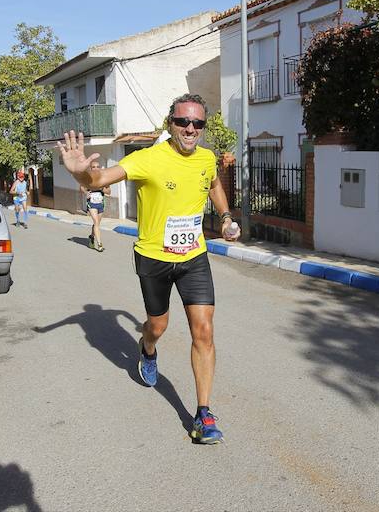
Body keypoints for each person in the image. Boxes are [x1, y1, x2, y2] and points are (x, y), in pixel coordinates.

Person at [57, 93, 241, 444]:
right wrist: (82, 173)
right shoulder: (147, 159)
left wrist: (226, 216)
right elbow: (98, 180)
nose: (190, 129)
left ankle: (203, 414)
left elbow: (214, 183)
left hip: (193, 257)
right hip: (154, 258)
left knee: (203, 331)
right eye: (183, 122)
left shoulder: (206, 158)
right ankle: (148, 348)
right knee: (157, 325)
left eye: (197, 123)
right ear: (170, 123)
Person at [79, 160, 111, 252]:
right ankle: (100, 244)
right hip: (91, 203)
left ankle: (91, 236)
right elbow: (81, 187)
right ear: (91, 168)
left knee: (97, 224)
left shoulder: (103, 179)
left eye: (98, 166)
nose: (96, 168)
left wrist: (102, 188)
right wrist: (86, 193)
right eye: (94, 167)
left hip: (100, 203)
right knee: (96, 222)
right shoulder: (88, 179)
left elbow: (109, 192)